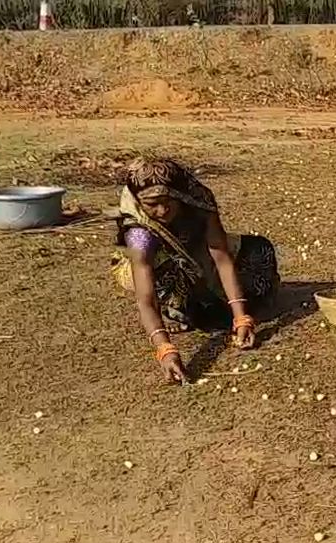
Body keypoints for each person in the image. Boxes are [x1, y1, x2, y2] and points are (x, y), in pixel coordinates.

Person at [109, 157, 280, 383]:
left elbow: (221, 258)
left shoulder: (199, 203)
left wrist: (241, 318)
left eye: (169, 200)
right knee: (172, 278)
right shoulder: (139, 233)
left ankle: (209, 303)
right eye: (152, 204)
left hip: (199, 256)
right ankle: (179, 307)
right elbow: (146, 298)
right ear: (139, 202)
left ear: (181, 194)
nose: (162, 210)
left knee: (260, 252)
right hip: (163, 269)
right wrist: (165, 349)